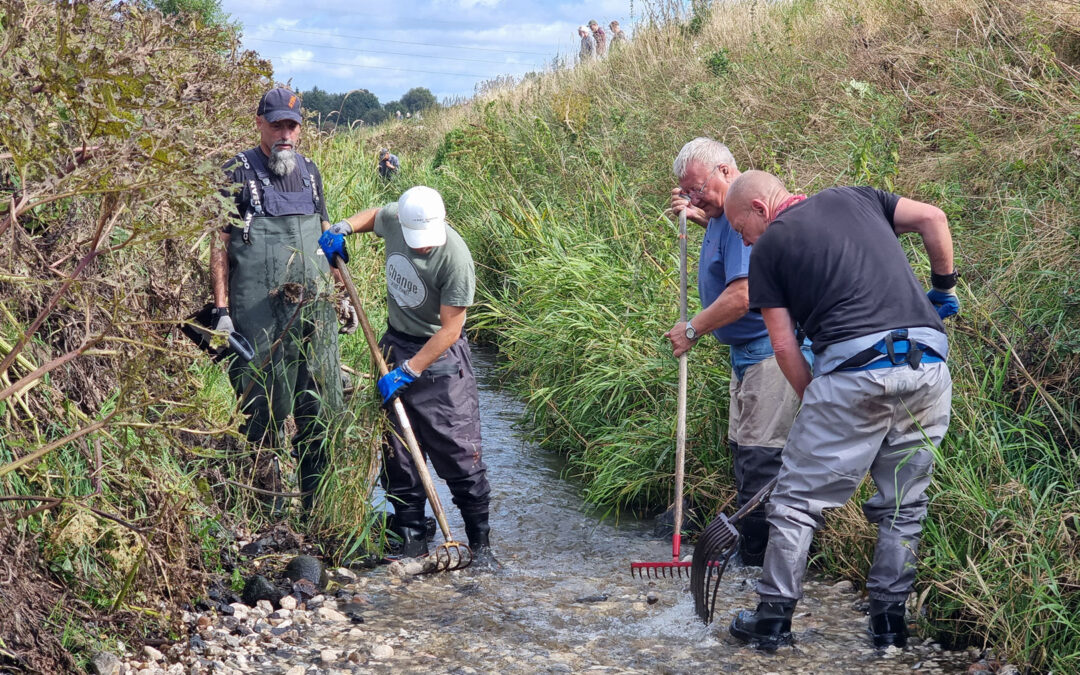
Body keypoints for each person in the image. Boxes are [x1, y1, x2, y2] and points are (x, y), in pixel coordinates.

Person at [723, 170, 958, 650]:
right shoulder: (860, 197)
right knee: (903, 505)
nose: (744, 240)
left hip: (854, 370)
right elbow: (934, 217)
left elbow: (785, 349)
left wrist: (817, 403)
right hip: (929, 366)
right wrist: (943, 288)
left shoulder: (769, 248)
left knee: (794, 504)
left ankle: (771, 621)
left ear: (761, 210)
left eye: (741, 229)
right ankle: (889, 626)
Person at [318, 186, 494, 562]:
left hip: (440, 361)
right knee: (398, 455)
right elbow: (373, 217)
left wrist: (410, 371)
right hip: (395, 345)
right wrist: (343, 228)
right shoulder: (398, 218)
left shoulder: (456, 259)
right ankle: (413, 543)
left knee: (460, 455)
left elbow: (451, 330)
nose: (423, 246)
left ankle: (481, 548)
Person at [210, 86, 357, 513]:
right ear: (260, 124)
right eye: (276, 125)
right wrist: (221, 312)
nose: (284, 134)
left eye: (291, 125)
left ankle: (320, 505)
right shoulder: (235, 172)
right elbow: (218, 245)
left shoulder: (311, 172)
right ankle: (262, 511)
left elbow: (326, 239)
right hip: (258, 316)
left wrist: (342, 296)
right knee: (260, 407)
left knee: (320, 401)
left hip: (315, 311)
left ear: (300, 129)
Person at [666, 138, 810, 565]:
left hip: (770, 352)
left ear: (726, 173)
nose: (693, 198)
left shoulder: (742, 220)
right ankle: (753, 558)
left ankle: (764, 564)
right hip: (746, 354)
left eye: (698, 190)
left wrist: (693, 328)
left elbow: (744, 293)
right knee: (744, 451)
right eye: (686, 192)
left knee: (761, 457)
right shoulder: (720, 218)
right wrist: (698, 213)